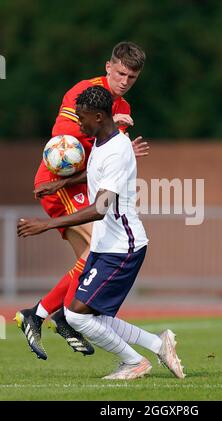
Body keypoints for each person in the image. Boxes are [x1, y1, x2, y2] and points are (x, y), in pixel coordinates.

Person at [17, 86, 185, 380]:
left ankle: (135, 362)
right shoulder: (100, 142)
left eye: (82, 119)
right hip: (105, 244)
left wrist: (46, 225)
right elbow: (95, 174)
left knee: (78, 316)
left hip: (123, 247)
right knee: (88, 315)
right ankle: (158, 344)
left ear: (98, 116)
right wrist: (60, 185)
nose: (79, 125)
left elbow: (102, 207)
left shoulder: (118, 151)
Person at [15, 41, 149, 360]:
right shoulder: (85, 93)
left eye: (132, 77)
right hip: (60, 181)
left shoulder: (124, 109)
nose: (125, 81)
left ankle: (54, 313)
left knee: (89, 259)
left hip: (80, 183)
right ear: (108, 67)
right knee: (95, 252)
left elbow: (108, 161)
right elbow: (64, 149)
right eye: (120, 73)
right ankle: (44, 313)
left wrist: (123, 146)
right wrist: (112, 136)